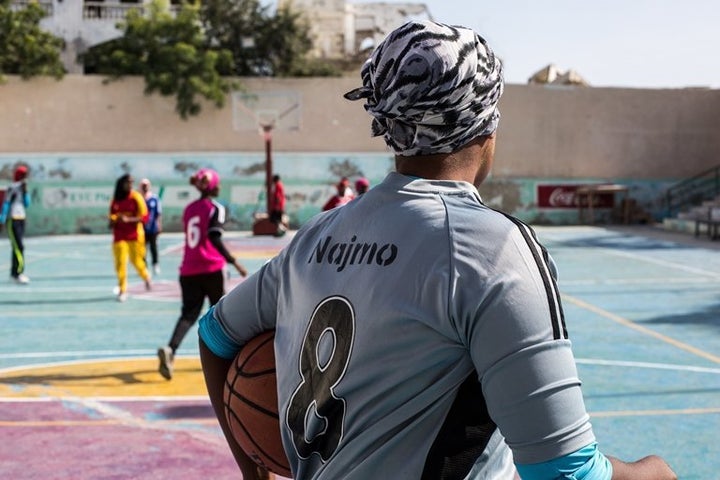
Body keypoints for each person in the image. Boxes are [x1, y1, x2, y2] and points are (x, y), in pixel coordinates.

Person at [198, 20, 676, 480]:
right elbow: (565, 473)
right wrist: (654, 471)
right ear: (487, 129)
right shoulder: (489, 249)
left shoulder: (314, 235)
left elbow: (216, 335)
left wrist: (252, 468)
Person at [158, 168, 248, 380]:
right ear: (213, 186)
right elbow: (214, 237)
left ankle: (171, 349)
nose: (219, 187)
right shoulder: (216, 208)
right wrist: (234, 262)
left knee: (188, 314)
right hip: (211, 269)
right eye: (218, 183)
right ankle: (227, 362)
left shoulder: (189, 209)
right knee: (221, 317)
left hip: (188, 269)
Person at [109, 173, 152, 302]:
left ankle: (146, 276)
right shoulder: (115, 200)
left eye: (131, 183)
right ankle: (123, 290)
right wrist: (116, 219)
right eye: (128, 182)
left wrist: (128, 219)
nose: (130, 185)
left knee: (136, 261)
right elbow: (111, 217)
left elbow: (144, 217)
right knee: (120, 263)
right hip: (119, 236)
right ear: (121, 184)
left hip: (134, 235)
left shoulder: (136, 197)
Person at [0, 165, 31, 284]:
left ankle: (15, 273)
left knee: (17, 247)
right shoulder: (12, 188)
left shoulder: (23, 188)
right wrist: (2, 220)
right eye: (23, 175)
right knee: (19, 246)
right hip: (12, 220)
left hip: (21, 218)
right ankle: (18, 273)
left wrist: (25, 192)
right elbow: (6, 203)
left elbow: (27, 204)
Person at [139, 178, 163, 275]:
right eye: (143, 185)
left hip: (152, 227)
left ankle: (155, 264)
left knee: (154, 247)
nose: (145, 187)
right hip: (141, 229)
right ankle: (143, 267)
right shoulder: (138, 198)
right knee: (142, 249)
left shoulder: (154, 198)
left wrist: (159, 225)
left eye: (146, 185)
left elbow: (158, 213)